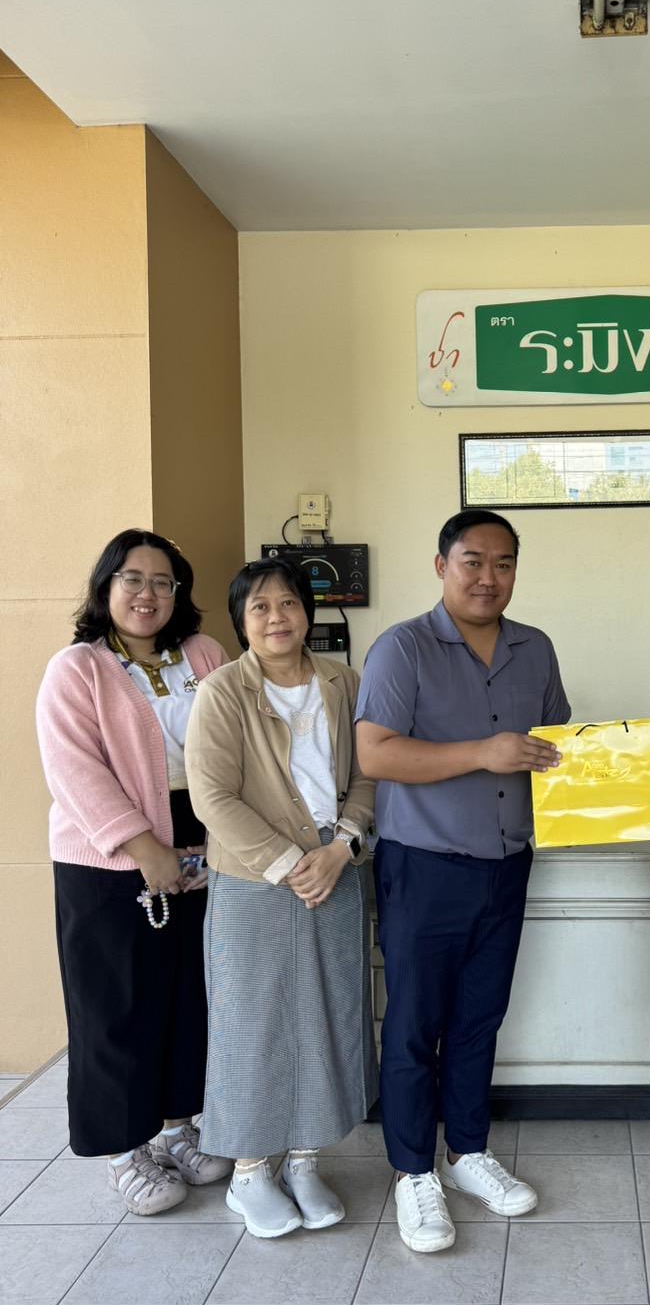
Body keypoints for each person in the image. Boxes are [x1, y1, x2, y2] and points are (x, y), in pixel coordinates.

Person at [355, 509, 570, 1253]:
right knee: (415, 1024)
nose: (488, 576)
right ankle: (413, 1170)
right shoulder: (401, 648)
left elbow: (557, 751)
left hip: (508, 864)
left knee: (480, 1017)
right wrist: (482, 752)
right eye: (472, 560)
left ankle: (468, 1151)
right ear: (441, 565)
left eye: (503, 563)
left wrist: (626, 788)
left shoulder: (535, 648)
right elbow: (376, 755)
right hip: (423, 866)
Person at [35, 529, 233, 1214]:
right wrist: (144, 848)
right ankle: (125, 1148)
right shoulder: (78, 668)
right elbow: (74, 769)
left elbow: (236, 741)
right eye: (133, 579)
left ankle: (178, 1126)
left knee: (186, 996)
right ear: (106, 587)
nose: (148, 594)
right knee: (114, 1005)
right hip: (107, 857)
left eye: (162, 582)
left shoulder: (204, 654)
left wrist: (220, 840)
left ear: (179, 592)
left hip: (203, 844)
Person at [184, 556, 376, 1239]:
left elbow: (368, 774)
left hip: (337, 867)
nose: (276, 617)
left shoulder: (343, 682)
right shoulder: (222, 691)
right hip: (255, 878)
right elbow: (212, 796)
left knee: (329, 1015)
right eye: (260, 606)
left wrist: (342, 846)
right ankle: (248, 1172)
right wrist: (293, 862)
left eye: (288, 602)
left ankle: (304, 1159)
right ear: (241, 620)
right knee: (252, 1022)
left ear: (308, 611)